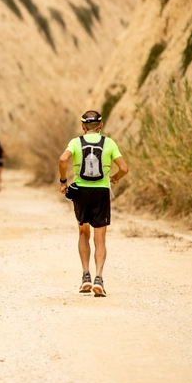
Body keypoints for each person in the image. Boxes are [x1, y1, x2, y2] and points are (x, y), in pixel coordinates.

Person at [58, 111, 128, 297]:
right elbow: (124, 168)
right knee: (100, 237)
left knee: (83, 232)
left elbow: (63, 159)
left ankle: (85, 276)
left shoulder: (75, 143)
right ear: (101, 125)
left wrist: (63, 181)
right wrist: (115, 178)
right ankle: (99, 278)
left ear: (83, 126)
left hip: (81, 191)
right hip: (101, 192)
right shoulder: (109, 143)